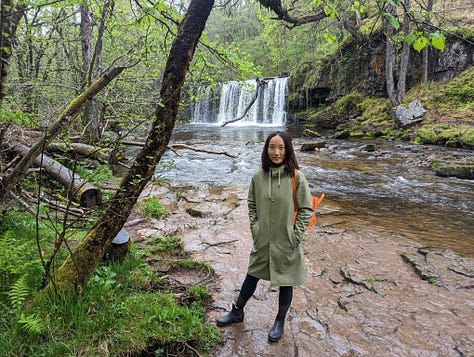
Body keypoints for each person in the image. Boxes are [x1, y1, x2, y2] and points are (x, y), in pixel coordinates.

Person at [216, 131, 314, 342]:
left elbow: (306, 209)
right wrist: (256, 228)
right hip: (263, 239)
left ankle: (279, 321)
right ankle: (237, 311)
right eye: (272, 147)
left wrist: (295, 235)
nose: (276, 152)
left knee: (286, 281)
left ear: (287, 150)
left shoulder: (297, 177)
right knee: (252, 274)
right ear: (266, 149)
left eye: (281, 147)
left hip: (287, 240)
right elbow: (252, 205)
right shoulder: (258, 177)